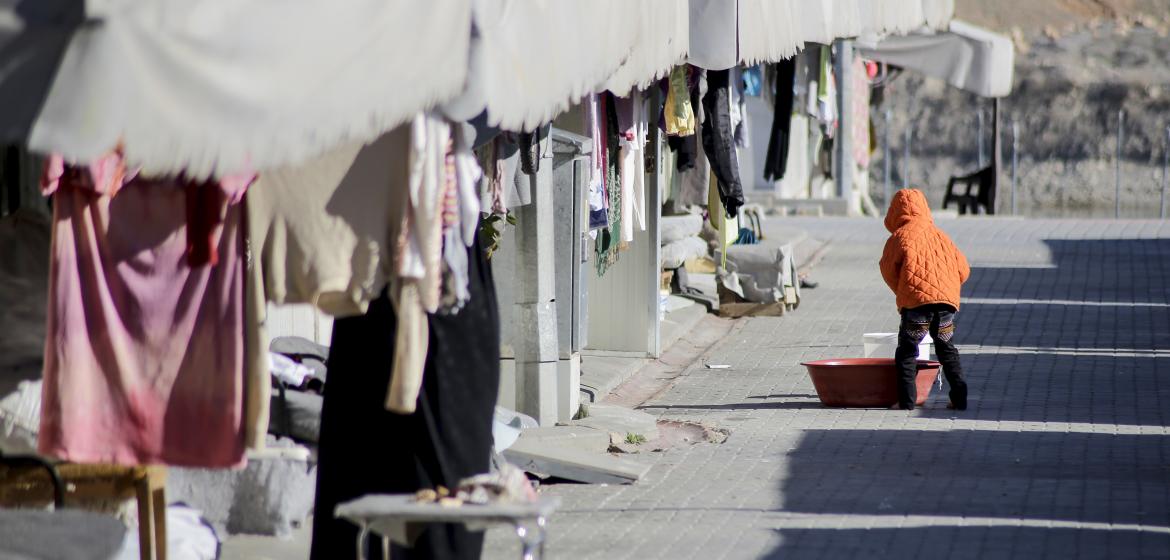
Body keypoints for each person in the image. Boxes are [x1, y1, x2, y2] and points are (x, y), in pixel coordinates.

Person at [879, 189, 970, 410]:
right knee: (946, 348)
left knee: (908, 351)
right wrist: (947, 289)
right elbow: (964, 270)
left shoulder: (899, 237)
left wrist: (904, 292)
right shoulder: (941, 236)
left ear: (895, 213)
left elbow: (887, 269)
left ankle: (907, 401)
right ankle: (959, 399)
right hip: (946, 305)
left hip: (917, 306)